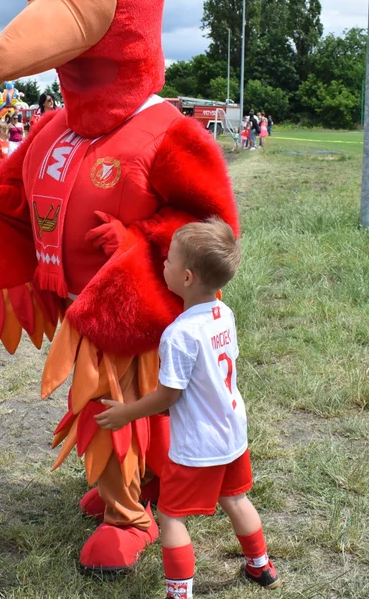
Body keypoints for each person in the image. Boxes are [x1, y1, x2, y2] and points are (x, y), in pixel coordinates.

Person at [96, 218, 280, 597]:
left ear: (187, 278)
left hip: (197, 445)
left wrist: (124, 413)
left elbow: (168, 396)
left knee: (170, 515)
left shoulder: (178, 334)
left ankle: (178, 592)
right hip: (232, 433)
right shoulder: (223, 315)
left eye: (169, 260)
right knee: (236, 499)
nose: (163, 263)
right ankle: (260, 567)